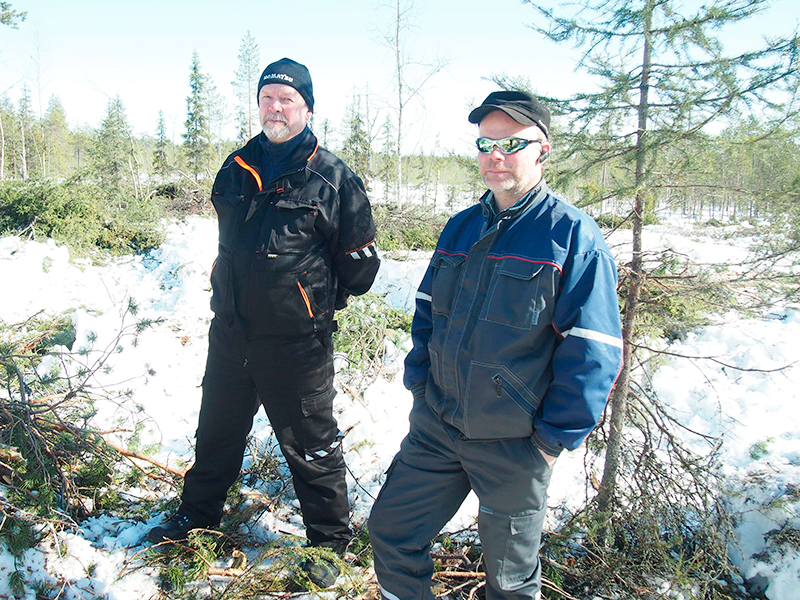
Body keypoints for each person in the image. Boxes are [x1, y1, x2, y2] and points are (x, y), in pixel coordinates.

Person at [368, 91, 623, 600]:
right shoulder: (461, 226)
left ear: (543, 150)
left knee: (509, 584)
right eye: (486, 142)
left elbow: (593, 350)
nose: (495, 155)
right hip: (438, 428)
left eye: (512, 143)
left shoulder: (570, 234)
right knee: (392, 533)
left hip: (515, 443)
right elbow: (426, 316)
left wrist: (550, 441)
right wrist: (422, 386)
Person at [148, 58, 380, 587]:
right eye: (268, 98)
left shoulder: (333, 177)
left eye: (287, 99)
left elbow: (361, 267)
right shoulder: (235, 166)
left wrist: (311, 302)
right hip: (231, 333)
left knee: (311, 443)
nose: (276, 107)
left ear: (308, 108)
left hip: (297, 343)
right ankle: (197, 519)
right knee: (216, 433)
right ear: (259, 104)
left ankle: (329, 545)